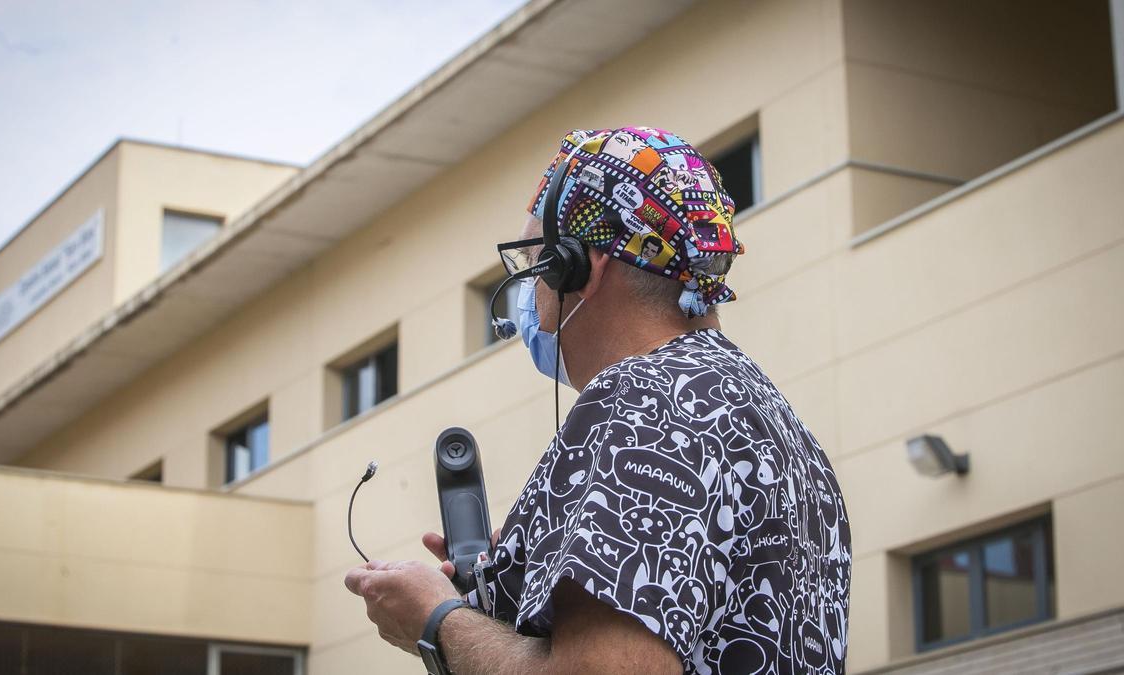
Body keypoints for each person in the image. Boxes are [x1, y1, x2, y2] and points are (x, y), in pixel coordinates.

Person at [345, 127, 851, 674]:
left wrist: (434, 619)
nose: (528, 297)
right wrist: (532, 573)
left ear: (579, 265)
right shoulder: (782, 430)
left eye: (532, 264)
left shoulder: (645, 402)